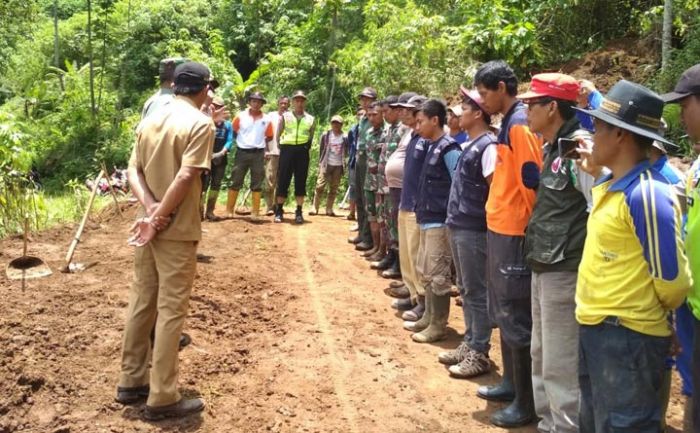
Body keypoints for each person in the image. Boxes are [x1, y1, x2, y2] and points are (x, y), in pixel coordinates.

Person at [574, 79, 691, 433]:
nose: (592, 134)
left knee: (625, 425)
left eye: (598, 126)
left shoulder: (647, 195)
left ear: (621, 135)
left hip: (627, 337)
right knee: (595, 421)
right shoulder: (611, 186)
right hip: (598, 328)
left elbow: (673, 283)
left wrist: (654, 317)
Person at [117, 61, 215, 420]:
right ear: (204, 88)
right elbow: (188, 174)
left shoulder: (150, 118)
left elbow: (132, 171)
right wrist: (160, 217)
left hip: (146, 226)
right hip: (175, 230)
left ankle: (130, 380)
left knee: (142, 302)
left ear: (175, 86)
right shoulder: (200, 123)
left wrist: (150, 211)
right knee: (171, 311)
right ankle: (162, 396)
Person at [517, 73, 595, 433]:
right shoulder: (551, 147)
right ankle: (548, 423)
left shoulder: (579, 147)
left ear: (552, 108)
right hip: (543, 262)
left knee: (560, 360)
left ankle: (565, 427)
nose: (526, 110)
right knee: (541, 354)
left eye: (532, 104)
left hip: (565, 267)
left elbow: (597, 204)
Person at [472, 60, 542, 428]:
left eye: (484, 94)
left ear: (502, 87)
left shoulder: (519, 126)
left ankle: (525, 403)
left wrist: (528, 231)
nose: (482, 101)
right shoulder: (509, 123)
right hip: (501, 228)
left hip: (515, 233)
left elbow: (532, 182)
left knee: (516, 318)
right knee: (504, 311)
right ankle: (511, 383)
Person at [438, 87, 497, 378]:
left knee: (476, 290)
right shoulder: (472, 144)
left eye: (465, 105)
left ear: (478, 113)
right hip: (460, 224)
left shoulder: (488, 146)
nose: (459, 110)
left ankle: (479, 351)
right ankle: (470, 341)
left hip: (474, 228)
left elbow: (495, 189)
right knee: (465, 286)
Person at [663, 63, 700, 432]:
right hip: (692, 301)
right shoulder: (698, 165)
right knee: (693, 386)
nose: (681, 117)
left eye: (684, 106)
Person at [410, 99, 461, 344]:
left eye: (421, 121)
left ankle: (438, 324)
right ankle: (429, 316)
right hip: (426, 218)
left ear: (435, 120)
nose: (417, 126)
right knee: (427, 271)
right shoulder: (432, 146)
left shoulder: (449, 149)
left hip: (440, 222)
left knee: (439, 274)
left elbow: (458, 185)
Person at [396, 94, 429, 323]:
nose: (405, 113)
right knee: (406, 254)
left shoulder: (427, 139)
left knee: (417, 256)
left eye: (410, 110)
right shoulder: (413, 136)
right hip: (405, 202)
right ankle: (412, 293)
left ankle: (423, 302)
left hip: (417, 206)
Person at [225, 91, 273, 221]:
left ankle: (255, 212)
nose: (256, 104)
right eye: (254, 101)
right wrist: (242, 142)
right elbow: (233, 132)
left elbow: (270, 136)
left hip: (258, 153)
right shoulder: (240, 116)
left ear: (262, 104)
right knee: (236, 179)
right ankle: (229, 210)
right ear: (249, 102)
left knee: (257, 181)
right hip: (242, 152)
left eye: (259, 102)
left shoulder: (267, 119)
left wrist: (265, 149)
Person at [370, 95, 403, 271]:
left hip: (394, 187)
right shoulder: (390, 129)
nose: (384, 115)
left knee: (394, 223)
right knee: (386, 222)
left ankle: (398, 261)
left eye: (386, 111)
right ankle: (390, 255)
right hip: (382, 184)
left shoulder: (402, 130)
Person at [274, 90, 316, 224]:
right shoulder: (285, 116)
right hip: (287, 149)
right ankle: (279, 210)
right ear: (292, 102)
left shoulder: (310, 119)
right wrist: (282, 146)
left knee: (300, 180)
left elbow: (311, 135)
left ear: (305, 102)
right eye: (297, 100)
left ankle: (299, 211)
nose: (299, 102)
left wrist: (305, 147)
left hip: (302, 151)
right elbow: (278, 133)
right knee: (283, 179)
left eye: (302, 100)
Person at [350, 87, 379, 249]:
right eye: (363, 99)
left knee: (368, 200)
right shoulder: (363, 118)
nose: (365, 102)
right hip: (359, 158)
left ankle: (368, 239)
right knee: (360, 198)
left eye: (368, 99)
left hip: (370, 159)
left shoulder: (376, 117)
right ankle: (361, 233)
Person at [202, 96, 233, 221]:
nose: (216, 108)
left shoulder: (228, 125)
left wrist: (222, 152)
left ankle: (210, 211)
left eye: (219, 106)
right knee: (203, 185)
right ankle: (199, 210)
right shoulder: (206, 122)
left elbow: (230, 140)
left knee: (216, 185)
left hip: (221, 158)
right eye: (214, 106)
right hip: (206, 157)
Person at [360, 102, 385, 253]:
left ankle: (382, 250)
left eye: (375, 114)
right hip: (370, 180)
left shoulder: (387, 133)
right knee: (372, 215)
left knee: (382, 218)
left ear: (382, 114)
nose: (371, 118)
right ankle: (375, 247)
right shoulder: (368, 132)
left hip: (382, 183)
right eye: (369, 115)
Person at [310, 115, 348, 216]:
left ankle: (329, 208)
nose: (335, 125)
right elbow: (322, 149)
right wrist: (320, 162)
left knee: (334, 188)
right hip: (326, 163)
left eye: (338, 123)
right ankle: (315, 207)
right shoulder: (326, 135)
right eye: (333, 123)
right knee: (320, 185)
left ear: (341, 125)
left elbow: (346, 151)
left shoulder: (345, 137)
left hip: (338, 165)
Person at [265, 96, 289, 215]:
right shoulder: (270, 116)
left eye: (286, 103)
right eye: (282, 103)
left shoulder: (291, 117)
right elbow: (264, 132)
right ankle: (269, 206)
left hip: (286, 154)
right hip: (272, 152)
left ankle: (277, 205)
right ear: (278, 104)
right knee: (270, 180)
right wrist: (265, 150)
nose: (284, 105)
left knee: (282, 181)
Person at [345, 107, 365, 221]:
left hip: (365, 162)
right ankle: (352, 212)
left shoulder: (370, 128)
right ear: (356, 116)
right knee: (353, 187)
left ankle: (361, 217)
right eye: (359, 114)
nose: (361, 116)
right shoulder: (353, 130)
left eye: (363, 114)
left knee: (363, 188)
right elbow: (350, 145)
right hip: (353, 161)